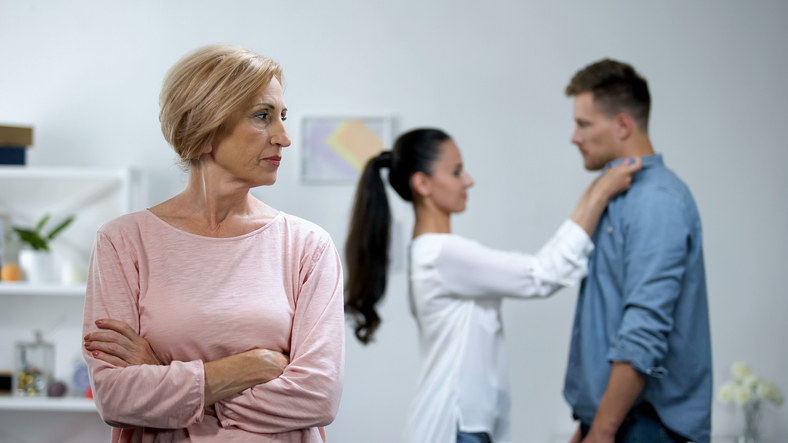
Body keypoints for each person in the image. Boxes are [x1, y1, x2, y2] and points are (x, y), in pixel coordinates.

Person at [81, 45, 345, 442]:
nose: (284, 137)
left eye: (282, 117)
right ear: (205, 129)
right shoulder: (123, 242)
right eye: (263, 116)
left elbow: (318, 398)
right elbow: (116, 398)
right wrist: (247, 368)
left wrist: (163, 375)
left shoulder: (308, 246)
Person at [344, 128, 641, 443]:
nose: (468, 181)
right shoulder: (441, 254)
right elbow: (543, 274)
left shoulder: (434, 253)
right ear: (423, 184)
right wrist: (597, 195)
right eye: (456, 172)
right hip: (455, 427)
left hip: (464, 426)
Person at [562, 59, 711, 443]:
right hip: (620, 424)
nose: (574, 137)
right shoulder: (617, 194)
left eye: (584, 124)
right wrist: (589, 426)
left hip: (648, 428)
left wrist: (603, 430)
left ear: (623, 125)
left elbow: (643, 329)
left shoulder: (657, 202)